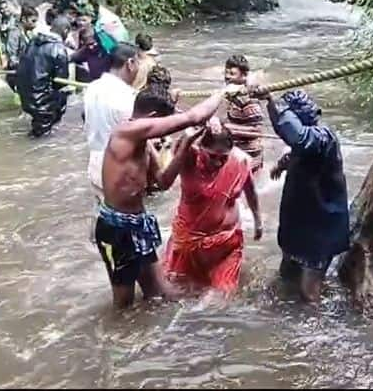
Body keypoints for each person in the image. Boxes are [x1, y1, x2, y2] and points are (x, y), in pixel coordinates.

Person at [95, 76, 229, 309]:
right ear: (154, 119)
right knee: (124, 304)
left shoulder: (143, 143)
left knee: (158, 294)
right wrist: (226, 91)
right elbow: (193, 117)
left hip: (138, 223)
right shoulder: (127, 131)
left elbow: (163, 181)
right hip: (117, 228)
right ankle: (117, 343)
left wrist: (186, 146)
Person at [252, 88, 350, 303]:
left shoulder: (323, 136)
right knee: (285, 278)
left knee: (308, 292)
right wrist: (270, 103)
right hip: (301, 225)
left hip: (320, 229)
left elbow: (300, 138)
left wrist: (276, 103)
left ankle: (317, 331)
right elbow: (291, 137)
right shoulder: (306, 144)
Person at [159, 118, 262, 296]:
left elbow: (250, 190)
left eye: (223, 158)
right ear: (200, 149)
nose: (217, 163)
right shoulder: (189, 157)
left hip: (226, 244)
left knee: (221, 299)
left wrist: (257, 220)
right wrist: (196, 128)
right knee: (176, 294)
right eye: (212, 156)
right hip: (188, 242)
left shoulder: (240, 160)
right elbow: (168, 172)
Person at [83, 43, 140, 198]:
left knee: (101, 216)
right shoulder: (128, 96)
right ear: (130, 64)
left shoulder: (91, 88)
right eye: (138, 63)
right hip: (119, 169)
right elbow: (138, 136)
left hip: (95, 163)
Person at [15, 16, 72, 138]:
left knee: (38, 130)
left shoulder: (33, 41)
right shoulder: (59, 49)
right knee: (42, 137)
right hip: (41, 101)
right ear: (66, 31)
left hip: (25, 94)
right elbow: (61, 82)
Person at [223, 55, 265, 174]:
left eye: (232, 73)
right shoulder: (232, 93)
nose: (227, 77)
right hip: (236, 154)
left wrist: (227, 129)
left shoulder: (248, 100)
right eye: (225, 73)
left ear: (244, 76)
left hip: (249, 157)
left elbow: (256, 131)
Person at [4, 5, 39, 91]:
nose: (35, 25)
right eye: (33, 21)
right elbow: (12, 57)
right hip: (15, 74)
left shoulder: (29, 34)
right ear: (24, 19)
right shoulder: (14, 33)